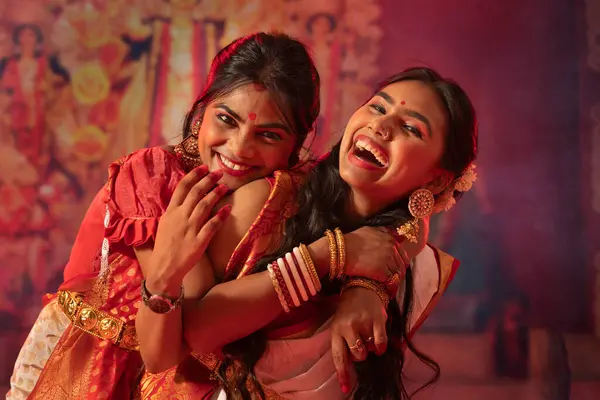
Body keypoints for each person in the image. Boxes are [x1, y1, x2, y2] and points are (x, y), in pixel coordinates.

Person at [7, 32, 414, 399]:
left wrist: (365, 287)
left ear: (296, 146)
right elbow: (177, 326)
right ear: (201, 111)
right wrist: (331, 255)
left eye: (268, 135)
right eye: (226, 119)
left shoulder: (291, 189)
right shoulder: (151, 177)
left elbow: (407, 214)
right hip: (84, 364)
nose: (239, 149)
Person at [137, 66, 478, 399]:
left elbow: (410, 231)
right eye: (377, 106)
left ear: (435, 180)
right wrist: (331, 255)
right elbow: (196, 334)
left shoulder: (409, 261)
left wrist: (368, 285)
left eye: (410, 128)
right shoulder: (270, 203)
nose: (380, 125)